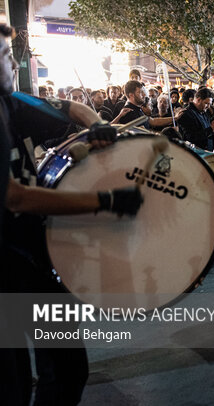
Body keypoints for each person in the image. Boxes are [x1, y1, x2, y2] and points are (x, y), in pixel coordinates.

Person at [0, 23, 143, 405]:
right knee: (11, 385)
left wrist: (97, 125)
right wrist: (105, 201)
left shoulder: (12, 103)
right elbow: (15, 198)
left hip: (32, 258)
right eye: (4, 56)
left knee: (67, 369)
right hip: (6, 268)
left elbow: (72, 108)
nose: (14, 63)